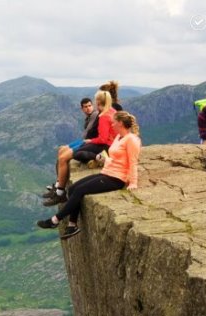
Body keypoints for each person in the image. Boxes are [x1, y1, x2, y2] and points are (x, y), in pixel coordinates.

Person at [36, 111, 141, 240]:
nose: (112, 124)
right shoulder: (119, 138)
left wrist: (133, 182)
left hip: (116, 179)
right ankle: (72, 225)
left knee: (80, 190)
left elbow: (133, 161)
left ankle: (54, 220)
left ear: (120, 123)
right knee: (73, 188)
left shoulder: (132, 140)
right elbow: (114, 157)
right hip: (107, 173)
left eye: (114, 122)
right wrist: (104, 160)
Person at [43, 90, 116, 206]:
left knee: (63, 158)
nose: (89, 107)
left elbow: (102, 139)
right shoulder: (112, 111)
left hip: (103, 146)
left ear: (97, 102)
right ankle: (58, 187)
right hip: (110, 146)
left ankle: (60, 193)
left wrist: (90, 141)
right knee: (63, 154)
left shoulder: (103, 116)